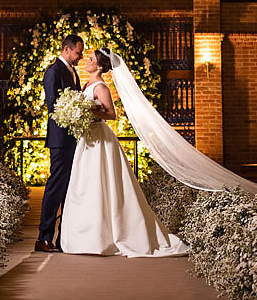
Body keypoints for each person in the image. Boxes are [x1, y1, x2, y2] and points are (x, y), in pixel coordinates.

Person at [59, 49, 190, 257]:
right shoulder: (86, 85)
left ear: (100, 67)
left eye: (91, 59)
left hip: (100, 139)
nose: (87, 61)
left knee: (101, 184)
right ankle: (87, 236)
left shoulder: (101, 87)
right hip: (86, 139)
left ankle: (109, 236)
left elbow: (112, 114)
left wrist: (86, 110)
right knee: (85, 186)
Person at [34, 33, 84, 253]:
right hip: (60, 139)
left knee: (68, 189)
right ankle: (43, 238)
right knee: (55, 187)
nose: (80, 57)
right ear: (66, 50)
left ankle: (64, 237)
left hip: (73, 138)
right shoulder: (53, 72)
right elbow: (53, 105)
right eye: (78, 52)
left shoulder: (74, 73)